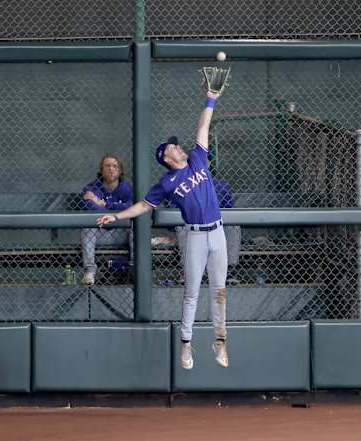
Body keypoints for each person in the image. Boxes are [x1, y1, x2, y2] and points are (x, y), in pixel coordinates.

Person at [96, 89, 229, 370]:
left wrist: (211, 100)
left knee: (219, 290)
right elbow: (144, 206)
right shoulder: (167, 182)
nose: (177, 147)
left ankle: (220, 342)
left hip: (218, 232)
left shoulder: (197, 159)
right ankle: (186, 344)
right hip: (194, 235)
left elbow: (203, 126)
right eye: (172, 147)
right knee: (191, 291)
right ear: (166, 157)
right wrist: (116, 216)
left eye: (176, 145)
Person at [174, 162, 241, 285]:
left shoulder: (221, 186)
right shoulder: (181, 185)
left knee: (233, 226)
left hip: (216, 226)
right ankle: (187, 270)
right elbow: (172, 212)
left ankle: (229, 270)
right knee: (181, 226)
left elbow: (231, 211)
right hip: (192, 226)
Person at [80, 154, 133, 286]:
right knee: (87, 228)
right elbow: (90, 208)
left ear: (120, 171)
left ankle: (134, 267)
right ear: (101, 170)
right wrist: (116, 210)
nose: (111, 169)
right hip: (100, 233)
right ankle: (90, 271)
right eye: (107, 165)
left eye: (115, 166)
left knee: (136, 226)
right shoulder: (92, 188)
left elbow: (131, 207)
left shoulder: (127, 189)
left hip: (122, 233)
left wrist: (103, 204)